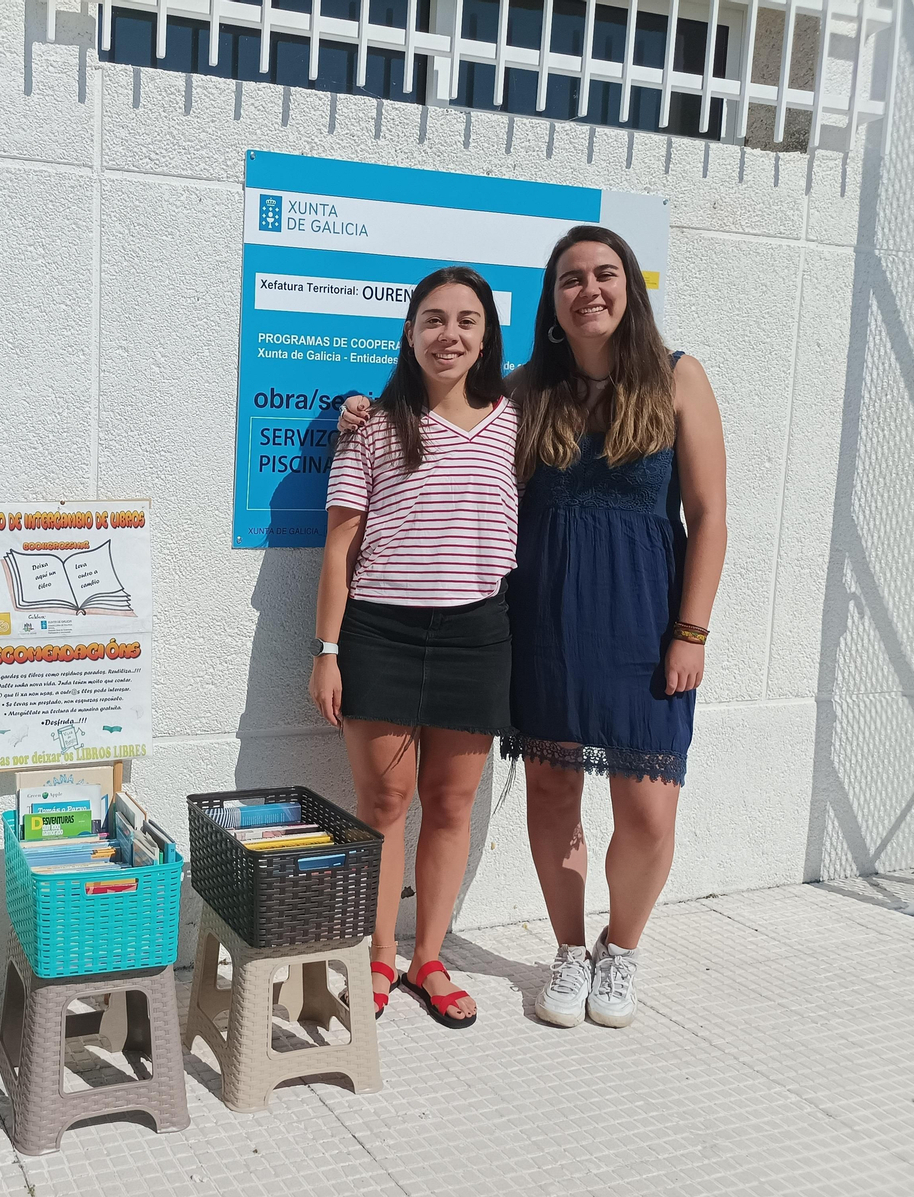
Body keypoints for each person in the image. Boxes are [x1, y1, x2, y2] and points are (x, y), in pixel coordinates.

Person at [339, 225, 727, 1029]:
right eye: (571, 279)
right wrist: (359, 410)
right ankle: (568, 949)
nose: (589, 289)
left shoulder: (678, 376)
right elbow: (446, 410)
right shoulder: (525, 391)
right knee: (551, 790)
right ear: (552, 303)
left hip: (646, 621)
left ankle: (620, 950)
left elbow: (711, 514)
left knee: (649, 810)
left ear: (630, 287)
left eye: (604, 274)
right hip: (545, 617)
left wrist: (692, 631)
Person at [310, 266, 519, 1027]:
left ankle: (428, 957)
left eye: (467, 320)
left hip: (477, 634)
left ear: (487, 335)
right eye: (433, 319)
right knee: (384, 802)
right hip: (381, 634)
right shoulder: (372, 425)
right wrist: (327, 649)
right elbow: (338, 549)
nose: (450, 334)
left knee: (451, 802)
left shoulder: (513, 422)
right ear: (408, 331)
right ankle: (375, 953)